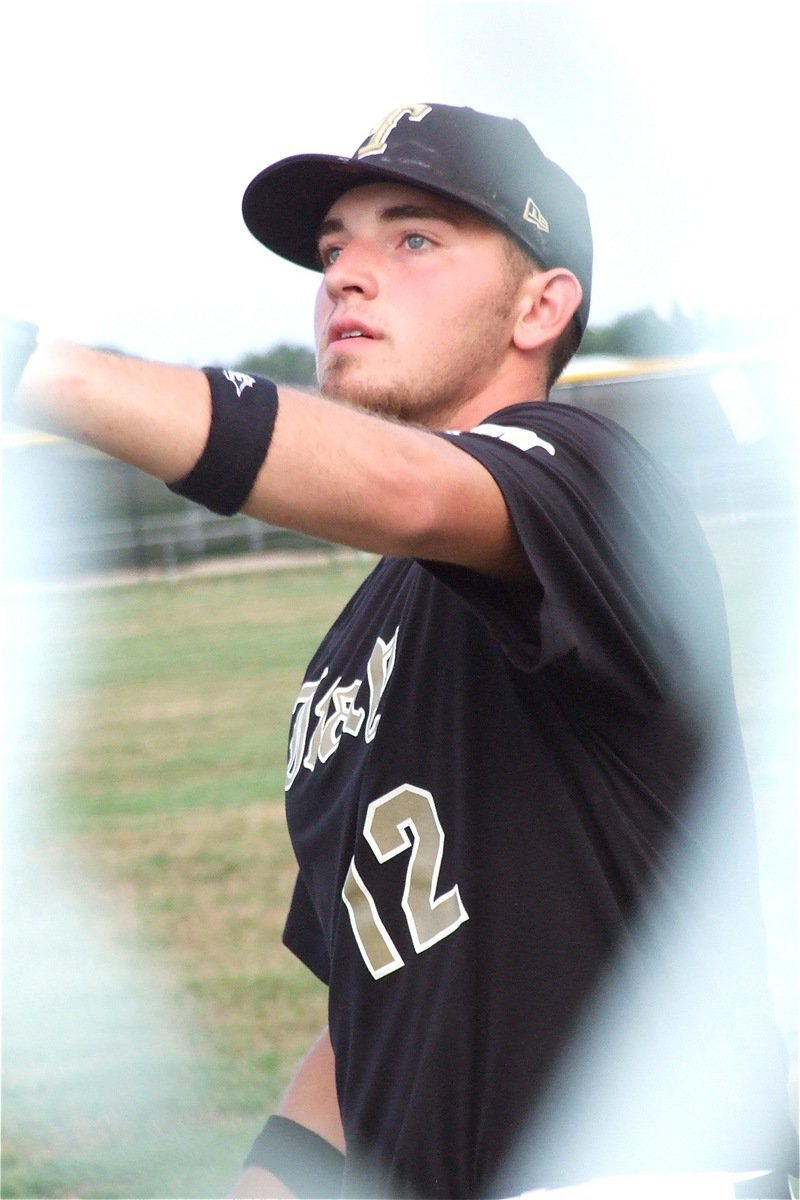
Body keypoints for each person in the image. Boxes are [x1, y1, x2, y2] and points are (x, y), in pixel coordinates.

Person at [4, 103, 797, 1199]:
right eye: (332, 250)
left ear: (539, 305)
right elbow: (366, 1007)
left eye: (411, 238)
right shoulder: (348, 651)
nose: (344, 275)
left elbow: (408, 489)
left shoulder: (591, 478)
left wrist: (38, 367)